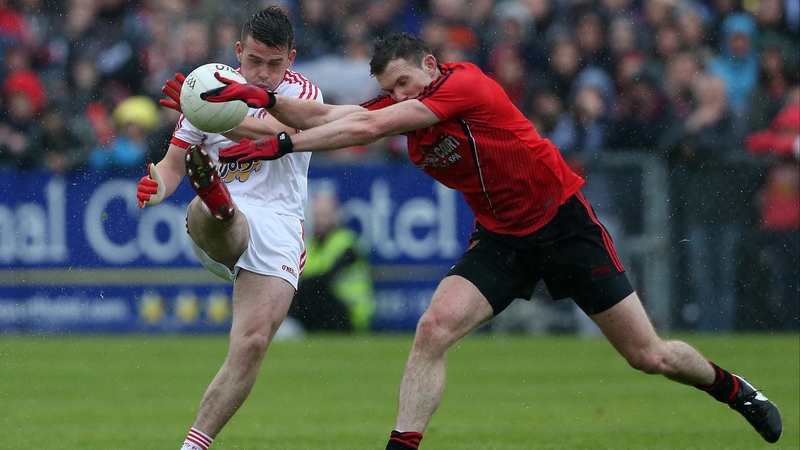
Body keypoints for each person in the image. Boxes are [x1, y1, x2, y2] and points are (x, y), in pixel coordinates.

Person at [201, 33, 783, 447]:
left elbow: (368, 125)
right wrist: (261, 102)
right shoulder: (401, 103)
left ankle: (735, 390)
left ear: (429, 65)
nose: (400, 96)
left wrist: (280, 143)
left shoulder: (465, 84)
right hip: (503, 238)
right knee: (432, 329)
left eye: (406, 83)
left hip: (564, 225)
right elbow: (335, 114)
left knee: (648, 356)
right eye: (390, 89)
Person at [135, 7, 323, 450]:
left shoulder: (302, 92)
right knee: (214, 209)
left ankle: (193, 446)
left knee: (253, 342)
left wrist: (210, 109)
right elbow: (173, 164)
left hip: (279, 224)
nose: (262, 74)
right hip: (223, 224)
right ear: (239, 51)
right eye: (254, 61)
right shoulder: (208, 85)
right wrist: (158, 186)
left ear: (291, 59)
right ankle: (219, 203)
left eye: (274, 64)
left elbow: (283, 129)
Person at [289, 189, 375, 332]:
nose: (320, 220)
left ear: (336, 216)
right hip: (321, 309)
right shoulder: (309, 244)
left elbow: (326, 278)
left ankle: (289, 327)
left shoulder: (347, 243)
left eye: (325, 215)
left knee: (311, 290)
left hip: (349, 311)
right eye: (317, 215)